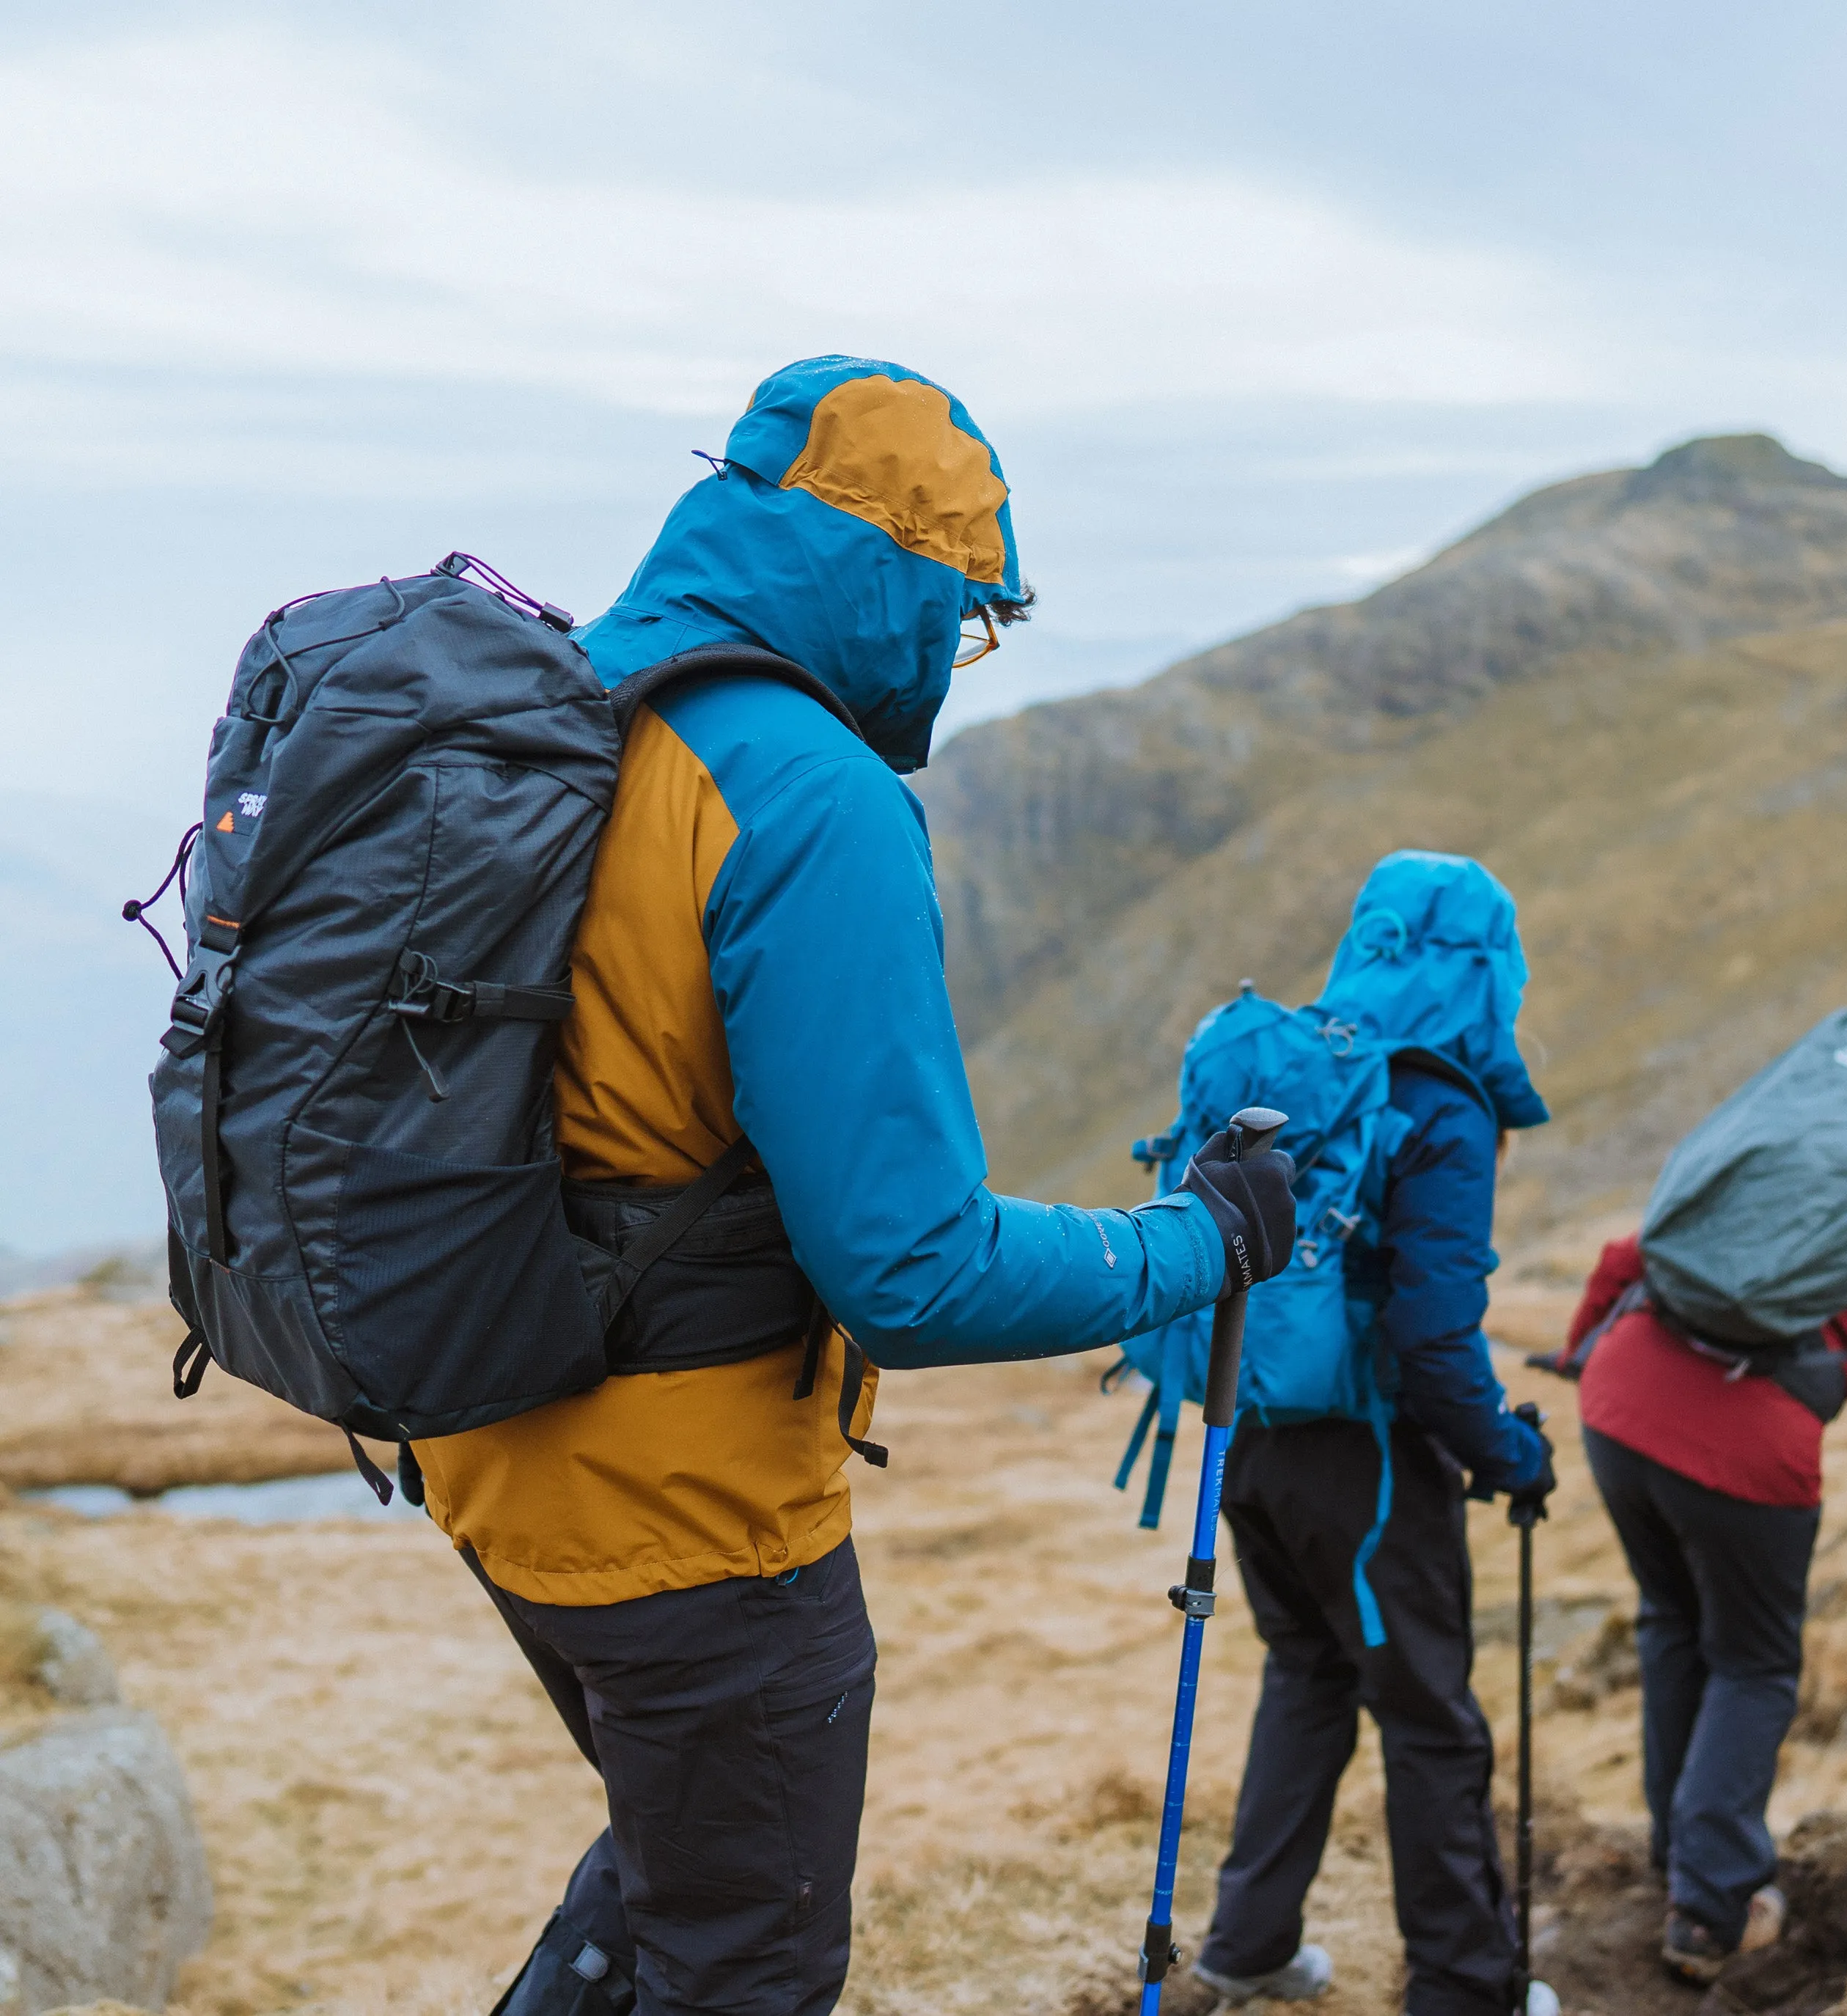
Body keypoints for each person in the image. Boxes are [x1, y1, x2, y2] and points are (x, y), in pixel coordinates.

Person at [404, 356, 1297, 2016]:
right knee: (742, 1957)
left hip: (481, 1440)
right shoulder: (806, 794)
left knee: (669, 1870)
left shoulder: (553, 708)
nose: (956, 655)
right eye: (963, 609)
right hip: (693, 1513)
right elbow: (914, 1269)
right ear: (888, 569)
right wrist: (1199, 1235)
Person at [1191, 854, 1557, 2016]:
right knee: (1431, 1719)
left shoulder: (1295, 1065)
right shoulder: (1435, 1098)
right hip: (1368, 1464)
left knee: (1306, 1675)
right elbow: (1434, 1334)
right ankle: (1465, 1990)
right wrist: (1508, 1454)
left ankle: (1247, 1947)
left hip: (1243, 1429)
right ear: (1482, 965)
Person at [1546, 1131, 1847, 1984]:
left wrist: (1581, 1354)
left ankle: (1676, 1855)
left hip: (1616, 1407)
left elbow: (1625, 1253)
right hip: (1739, 1451)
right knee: (1753, 1661)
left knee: (1671, 1623)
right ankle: (1713, 1908)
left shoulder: (1778, 1188)